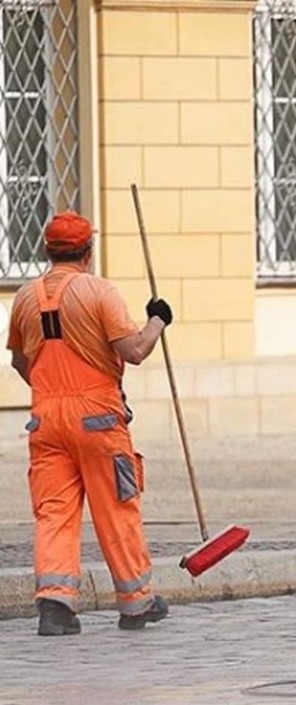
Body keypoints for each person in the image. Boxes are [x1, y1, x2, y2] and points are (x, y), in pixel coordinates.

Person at [6, 211, 172, 636]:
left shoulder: (24, 298)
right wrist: (158, 320)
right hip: (98, 418)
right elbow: (134, 351)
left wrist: (51, 390)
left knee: (54, 513)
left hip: (45, 419)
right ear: (88, 250)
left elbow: (20, 360)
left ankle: (56, 606)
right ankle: (136, 603)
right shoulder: (99, 292)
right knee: (116, 507)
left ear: (48, 250)